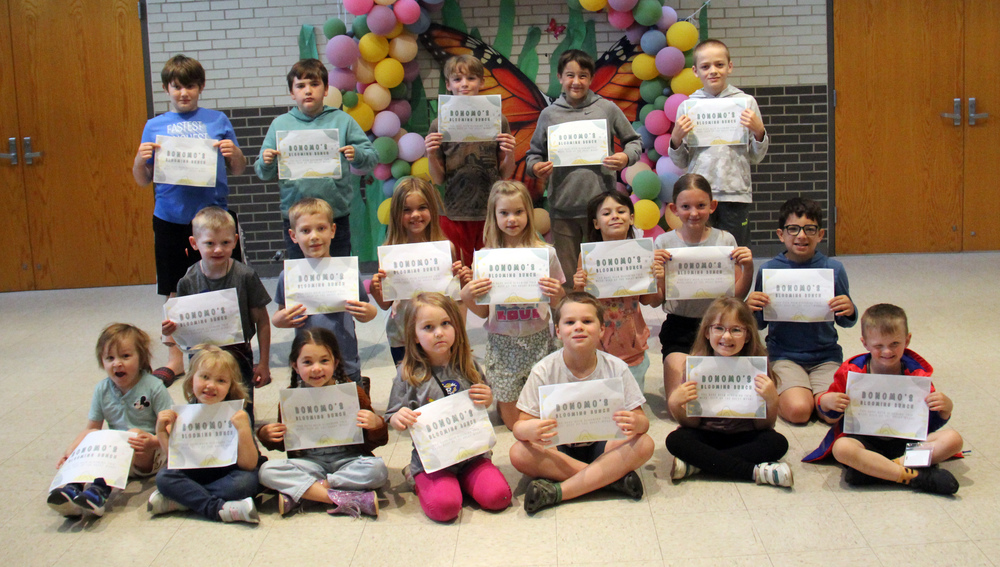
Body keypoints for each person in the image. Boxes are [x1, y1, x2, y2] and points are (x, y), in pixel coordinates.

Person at [133, 54, 247, 380]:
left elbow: (237, 169)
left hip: (213, 217)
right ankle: (175, 358)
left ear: (201, 87)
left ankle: (226, 353)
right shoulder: (154, 126)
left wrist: (233, 153)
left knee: (222, 285)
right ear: (167, 88)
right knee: (174, 288)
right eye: (177, 86)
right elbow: (142, 179)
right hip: (170, 217)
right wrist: (141, 160)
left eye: (190, 86)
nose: (184, 92)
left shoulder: (217, 120)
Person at [509, 292, 654, 515]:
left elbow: (642, 423)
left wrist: (636, 422)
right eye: (569, 322)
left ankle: (560, 491)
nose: (579, 327)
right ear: (557, 331)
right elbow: (520, 426)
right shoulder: (544, 370)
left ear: (602, 329)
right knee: (519, 453)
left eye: (587, 321)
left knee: (644, 444)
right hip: (559, 450)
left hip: (604, 446)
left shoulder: (616, 367)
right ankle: (608, 479)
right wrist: (530, 428)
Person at [803, 304, 963, 495]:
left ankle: (877, 472)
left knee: (953, 440)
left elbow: (928, 423)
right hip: (865, 440)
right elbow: (831, 415)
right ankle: (915, 477)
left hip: (906, 441)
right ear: (865, 343)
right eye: (879, 346)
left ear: (907, 339)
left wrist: (945, 409)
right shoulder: (852, 371)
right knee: (842, 448)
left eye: (895, 344)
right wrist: (826, 402)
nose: (887, 351)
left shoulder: (917, 374)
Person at [385, 293, 512, 522]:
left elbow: (483, 399)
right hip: (433, 460)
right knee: (445, 508)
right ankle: (417, 478)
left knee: (498, 497)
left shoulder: (468, 365)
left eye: (446, 324)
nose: (439, 333)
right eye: (428, 327)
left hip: (472, 454)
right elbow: (392, 415)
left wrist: (487, 396)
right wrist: (398, 418)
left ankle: (463, 481)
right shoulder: (407, 375)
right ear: (414, 335)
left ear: (457, 326)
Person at [525, 49, 642, 283]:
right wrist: (536, 167)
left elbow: (634, 141)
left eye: (583, 76)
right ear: (560, 77)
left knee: (601, 277)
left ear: (591, 78)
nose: (576, 82)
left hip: (600, 210)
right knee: (569, 278)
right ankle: (570, 318)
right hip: (563, 208)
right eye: (570, 75)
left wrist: (626, 158)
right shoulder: (549, 114)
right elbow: (533, 154)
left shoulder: (606, 109)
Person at [461, 180, 565, 430]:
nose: (512, 219)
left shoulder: (545, 253)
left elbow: (558, 304)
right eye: (504, 213)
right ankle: (506, 401)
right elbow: (485, 312)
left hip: (538, 339)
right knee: (514, 424)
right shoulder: (486, 258)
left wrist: (557, 294)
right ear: (493, 216)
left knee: (542, 417)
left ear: (528, 213)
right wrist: (467, 295)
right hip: (502, 342)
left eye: (518, 212)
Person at [746, 197, 856, 424]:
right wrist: (750, 307)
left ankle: (817, 400)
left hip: (826, 356)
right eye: (793, 229)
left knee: (835, 415)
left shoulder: (833, 269)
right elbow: (759, 324)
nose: (801, 236)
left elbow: (845, 322)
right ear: (780, 234)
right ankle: (812, 399)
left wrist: (849, 308)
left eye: (809, 229)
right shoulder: (769, 270)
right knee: (798, 411)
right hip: (784, 356)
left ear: (821, 234)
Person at [255, 58, 377, 259]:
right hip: (296, 219)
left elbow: (372, 158)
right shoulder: (280, 124)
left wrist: (357, 154)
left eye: (314, 84)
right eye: (300, 86)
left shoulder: (342, 120)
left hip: (334, 217)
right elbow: (262, 172)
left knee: (338, 276)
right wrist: (266, 161)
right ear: (292, 93)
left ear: (326, 89)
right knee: (302, 278)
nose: (308, 90)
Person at [258, 328, 388, 517]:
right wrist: (266, 434)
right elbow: (283, 443)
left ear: (335, 362)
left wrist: (376, 424)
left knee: (378, 470)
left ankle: (307, 493)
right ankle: (346, 497)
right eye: (307, 362)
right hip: (308, 464)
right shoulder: (291, 398)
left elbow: (377, 441)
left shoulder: (352, 394)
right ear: (295, 366)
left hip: (348, 461)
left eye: (324, 361)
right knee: (266, 471)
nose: (316, 368)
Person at [47, 324, 173, 517]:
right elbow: (91, 429)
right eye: (110, 358)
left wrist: (153, 442)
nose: (117, 363)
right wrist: (71, 452)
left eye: (125, 356)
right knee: (92, 435)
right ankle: (73, 487)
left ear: (141, 359)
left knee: (132, 434)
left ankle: (99, 492)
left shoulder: (154, 387)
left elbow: (171, 430)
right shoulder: (102, 389)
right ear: (102, 362)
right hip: (116, 454)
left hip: (148, 454)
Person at [665, 298, 792, 487]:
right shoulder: (697, 366)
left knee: (777, 442)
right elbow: (692, 422)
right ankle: (755, 472)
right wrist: (675, 404)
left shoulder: (757, 366)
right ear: (707, 332)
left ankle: (699, 465)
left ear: (748, 335)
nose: (727, 337)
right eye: (719, 328)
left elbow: (764, 425)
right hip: (706, 435)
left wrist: (772, 400)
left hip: (745, 436)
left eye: (736, 330)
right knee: (676, 440)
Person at [161, 206, 271, 421]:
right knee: (203, 407)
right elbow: (180, 328)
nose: (218, 249)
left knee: (241, 407)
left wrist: (264, 362)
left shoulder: (245, 276)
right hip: (201, 356)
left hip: (238, 353)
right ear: (194, 244)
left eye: (225, 243)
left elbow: (262, 321)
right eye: (209, 243)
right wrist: (170, 330)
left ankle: (246, 449)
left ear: (235, 240)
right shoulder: (188, 281)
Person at [654, 174, 753, 399]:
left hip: (720, 327)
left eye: (701, 205)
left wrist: (749, 268)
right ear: (674, 209)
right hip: (679, 328)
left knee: (721, 398)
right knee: (679, 403)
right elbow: (656, 300)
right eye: (686, 206)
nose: (694, 213)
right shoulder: (664, 243)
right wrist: (657, 275)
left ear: (712, 206)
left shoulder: (725, 240)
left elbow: (736, 296)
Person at [668, 39, 768, 246]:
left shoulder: (746, 103)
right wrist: (676, 139)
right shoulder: (689, 107)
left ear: (729, 67)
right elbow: (681, 161)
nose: (713, 71)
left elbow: (756, 156)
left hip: (735, 193)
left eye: (719, 65)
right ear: (696, 71)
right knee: (701, 252)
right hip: (699, 196)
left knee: (735, 253)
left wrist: (759, 132)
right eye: (705, 66)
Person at [149, 346, 261, 523]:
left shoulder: (237, 414)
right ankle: (217, 508)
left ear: (231, 386)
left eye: (221, 380)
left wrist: (243, 429)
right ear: (191, 379)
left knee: (246, 482)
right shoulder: (184, 415)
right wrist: (161, 431)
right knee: (164, 477)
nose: (210, 385)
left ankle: (186, 500)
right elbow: (175, 460)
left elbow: (248, 465)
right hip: (193, 474)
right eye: (204, 377)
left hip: (227, 476)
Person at [272, 198, 378, 387]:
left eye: (321, 228)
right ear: (293, 235)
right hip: (309, 365)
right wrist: (278, 321)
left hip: (345, 361)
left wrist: (369, 313)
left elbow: (366, 311)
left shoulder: (347, 272)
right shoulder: (288, 276)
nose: (314, 236)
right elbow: (282, 314)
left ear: (333, 231)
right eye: (305, 230)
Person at [425, 53, 516, 266]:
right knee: (459, 274)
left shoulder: (498, 120)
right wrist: (430, 153)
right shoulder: (438, 125)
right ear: (448, 85)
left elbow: (505, 174)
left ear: (481, 82)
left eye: (471, 78)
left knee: (490, 272)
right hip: (454, 212)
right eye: (457, 79)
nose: (464, 84)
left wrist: (511, 152)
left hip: (491, 211)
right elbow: (438, 179)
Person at [369, 177, 471, 365]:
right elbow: (385, 304)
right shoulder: (390, 252)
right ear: (396, 214)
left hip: (438, 334)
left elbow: (458, 298)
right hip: (403, 335)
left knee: (442, 385)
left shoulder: (446, 249)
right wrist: (376, 291)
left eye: (422, 208)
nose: (415, 215)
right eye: (407, 210)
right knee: (409, 387)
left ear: (432, 209)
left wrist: (463, 281)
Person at [573, 191, 662, 391]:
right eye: (606, 213)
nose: (614, 216)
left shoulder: (642, 253)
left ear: (631, 218)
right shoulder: (587, 256)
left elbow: (651, 301)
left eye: (621, 211)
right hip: (596, 345)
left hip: (632, 343)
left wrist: (658, 279)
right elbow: (579, 304)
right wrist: (578, 286)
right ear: (596, 223)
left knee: (630, 404)